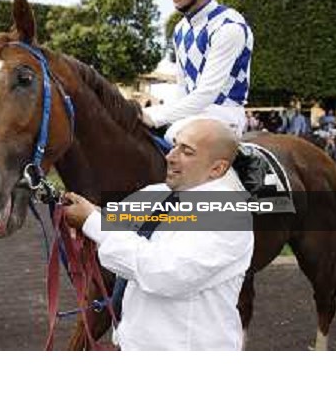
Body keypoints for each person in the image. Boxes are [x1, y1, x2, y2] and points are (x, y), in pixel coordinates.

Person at [64, 119, 254, 351]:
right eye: (175, 145)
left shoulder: (229, 216)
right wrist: (75, 208)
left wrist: (92, 222)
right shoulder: (157, 193)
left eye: (187, 151)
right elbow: (111, 221)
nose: (170, 156)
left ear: (217, 169)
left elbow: (164, 272)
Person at [142, 0, 254, 143]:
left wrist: (154, 116)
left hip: (225, 117)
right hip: (193, 114)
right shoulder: (180, 29)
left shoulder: (229, 26)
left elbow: (206, 94)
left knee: (175, 136)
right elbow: (182, 89)